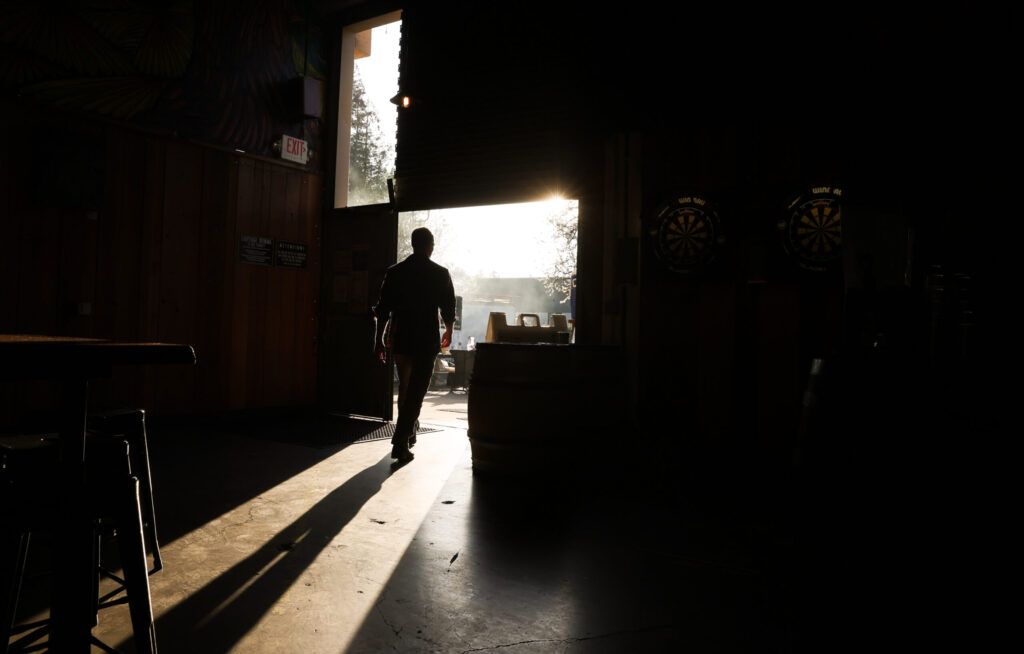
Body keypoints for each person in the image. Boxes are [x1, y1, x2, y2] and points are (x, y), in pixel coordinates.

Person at [373, 227, 456, 463]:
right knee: (417, 392)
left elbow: (383, 309)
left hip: (401, 337)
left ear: (412, 244)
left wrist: (379, 339)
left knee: (406, 389)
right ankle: (401, 441)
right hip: (426, 340)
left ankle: (409, 432)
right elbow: (448, 307)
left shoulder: (395, 272)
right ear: (430, 246)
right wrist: (448, 330)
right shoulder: (440, 273)